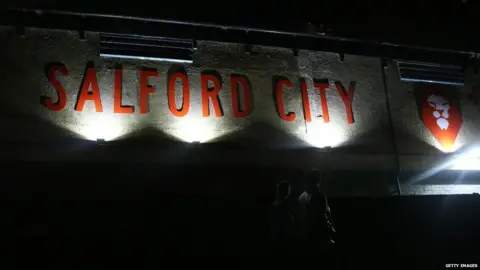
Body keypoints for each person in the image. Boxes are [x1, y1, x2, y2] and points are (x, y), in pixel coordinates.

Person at [298, 170, 335, 254]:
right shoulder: (319, 196)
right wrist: (330, 230)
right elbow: (323, 215)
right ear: (318, 180)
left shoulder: (302, 196)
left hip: (305, 236)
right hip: (318, 237)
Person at [269, 180, 295, 254]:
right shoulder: (280, 205)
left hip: (280, 237)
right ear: (286, 190)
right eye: (289, 189)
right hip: (282, 238)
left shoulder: (278, 203)